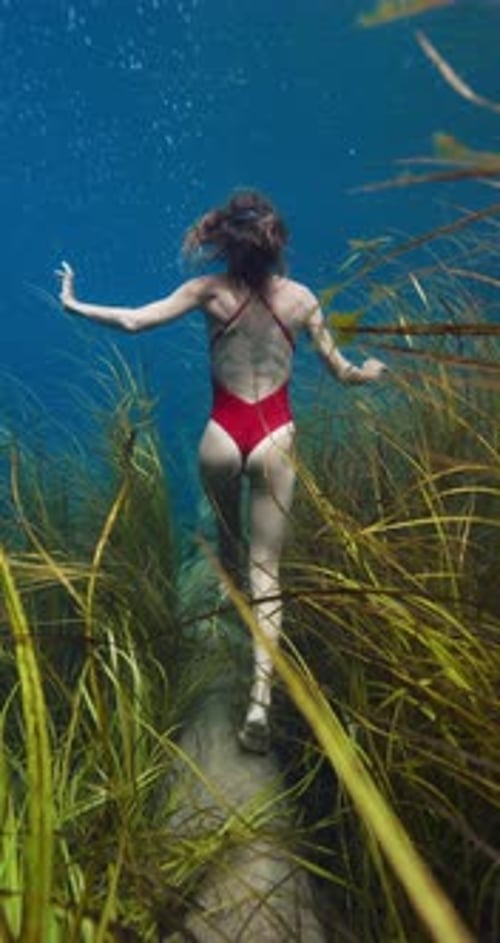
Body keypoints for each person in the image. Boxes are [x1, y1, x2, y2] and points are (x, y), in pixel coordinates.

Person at [57, 189, 386, 754]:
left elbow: (135, 323)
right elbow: (341, 372)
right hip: (275, 436)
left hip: (222, 435)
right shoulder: (303, 300)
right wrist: (368, 371)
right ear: (277, 243)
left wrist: (74, 302)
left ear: (224, 243)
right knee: (268, 569)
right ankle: (259, 700)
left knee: (230, 543)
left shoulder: (207, 291)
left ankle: (227, 588)